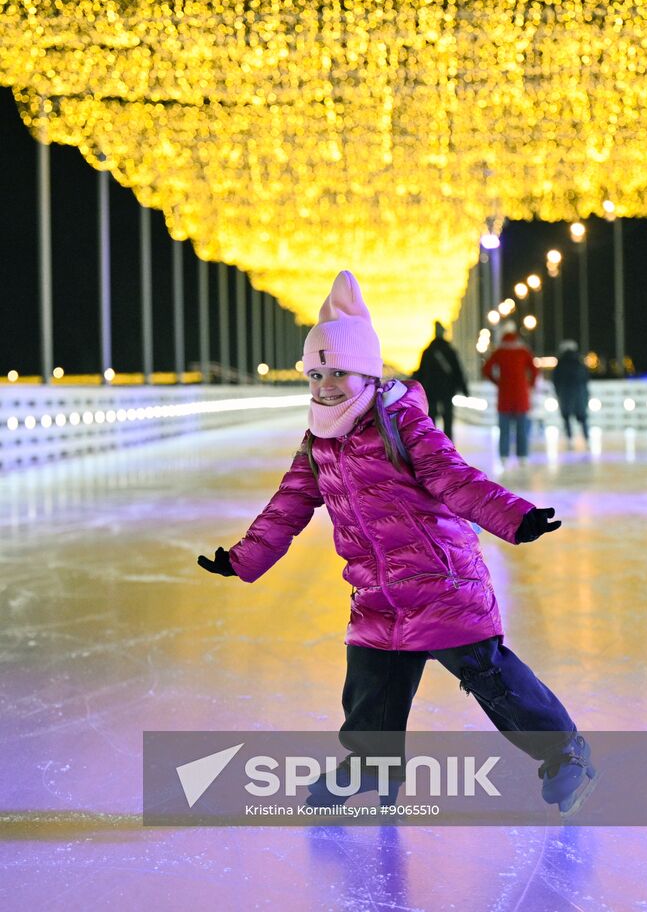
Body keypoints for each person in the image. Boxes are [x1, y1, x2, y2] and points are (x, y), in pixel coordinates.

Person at [198, 272, 597, 816]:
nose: (325, 385)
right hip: (378, 593)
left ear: (366, 371)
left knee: (492, 680)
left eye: (337, 372)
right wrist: (242, 559)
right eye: (315, 374)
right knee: (370, 690)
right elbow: (287, 505)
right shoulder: (318, 441)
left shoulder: (399, 420)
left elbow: (453, 477)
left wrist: (515, 517)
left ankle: (566, 753)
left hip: (441, 581)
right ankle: (371, 765)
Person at [482, 320, 538, 464]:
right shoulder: (523, 350)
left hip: (504, 396)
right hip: (521, 395)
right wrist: (529, 384)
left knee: (504, 429)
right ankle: (522, 455)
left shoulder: (499, 351)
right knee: (521, 429)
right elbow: (535, 369)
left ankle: (504, 455)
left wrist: (497, 382)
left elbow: (486, 369)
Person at [414, 321, 469, 440]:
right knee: (448, 417)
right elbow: (457, 371)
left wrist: (416, 390)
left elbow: (421, 372)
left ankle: (433, 442)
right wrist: (464, 389)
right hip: (447, 389)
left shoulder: (428, 351)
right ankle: (447, 442)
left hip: (431, 390)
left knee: (431, 417)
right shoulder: (450, 350)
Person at [552, 340, 590, 447]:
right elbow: (585, 379)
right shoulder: (579, 363)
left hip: (565, 394)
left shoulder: (560, 364)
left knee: (567, 417)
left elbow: (556, 380)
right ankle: (586, 438)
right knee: (582, 417)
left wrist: (558, 393)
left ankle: (569, 439)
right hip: (579, 393)